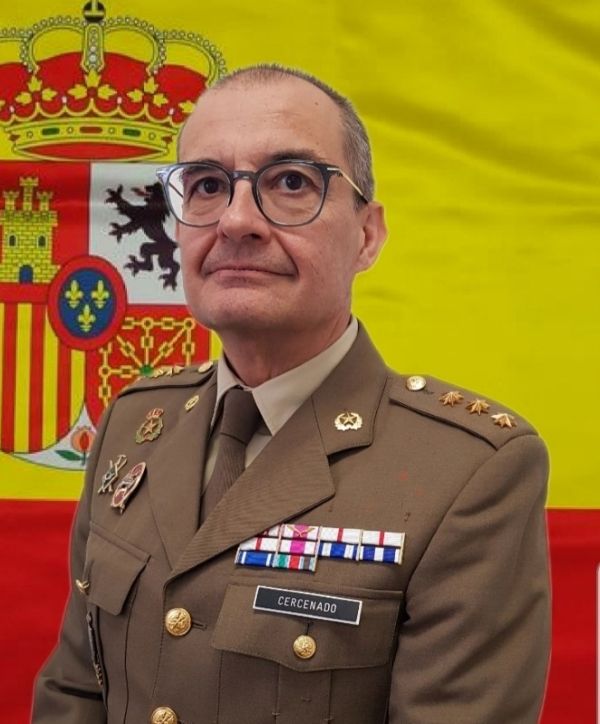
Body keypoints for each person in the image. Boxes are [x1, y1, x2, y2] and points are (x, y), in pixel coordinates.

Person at [33, 64, 550, 724]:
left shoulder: (469, 473)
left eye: (291, 182)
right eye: (207, 185)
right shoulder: (134, 424)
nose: (236, 220)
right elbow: (76, 692)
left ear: (367, 235)